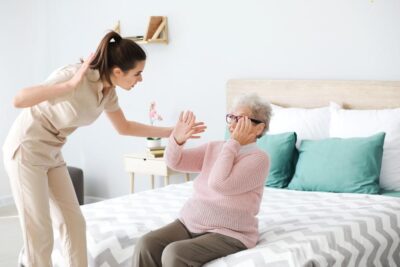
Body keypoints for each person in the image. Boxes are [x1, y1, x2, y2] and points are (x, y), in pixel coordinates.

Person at [2, 31, 205, 267]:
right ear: (118, 71)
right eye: (137, 74)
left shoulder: (108, 92)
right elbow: (19, 99)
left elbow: (124, 126)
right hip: (26, 149)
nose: (140, 80)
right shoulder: (75, 75)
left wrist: (172, 131)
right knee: (40, 231)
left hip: (52, 152)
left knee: (74, 223)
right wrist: (68, 85)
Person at [133, 93, 272, 267]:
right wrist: (177, 139)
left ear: (259, 128)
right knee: (146, 244)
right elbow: (174, 162)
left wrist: (233, 143)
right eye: (231, 117)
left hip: (230, 233)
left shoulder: (259, 159)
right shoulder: (215, 147)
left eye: (241, 119)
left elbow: (219, 184)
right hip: (191, 222)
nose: (233, 123)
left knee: (174, 253)